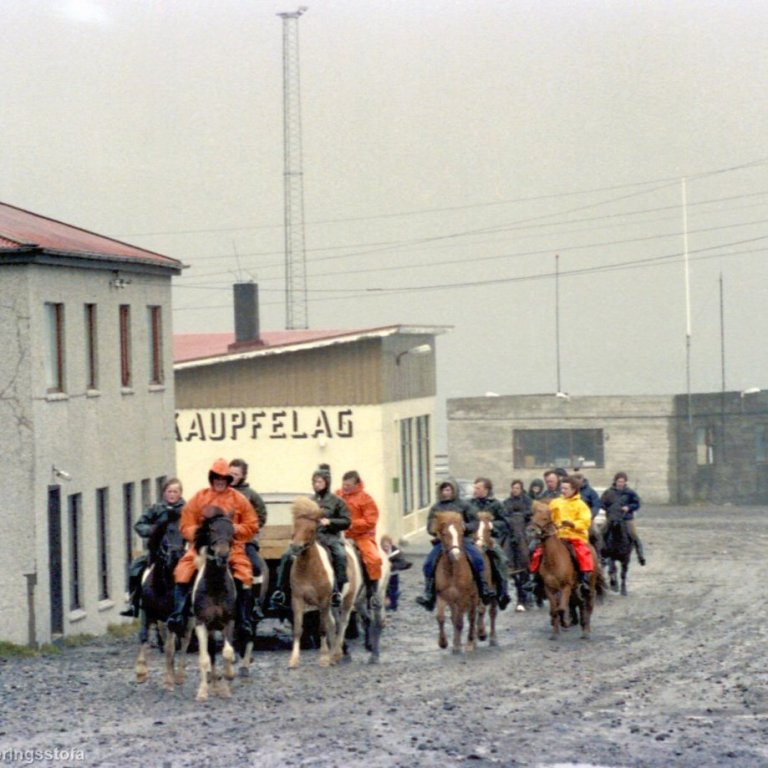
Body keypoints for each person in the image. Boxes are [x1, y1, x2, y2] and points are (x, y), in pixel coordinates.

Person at [167, 458, 259, 637]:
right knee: (182, 570)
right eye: (216, 477)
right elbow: (185, 524)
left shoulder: (239, 499)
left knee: (244, 573)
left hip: (232, 547)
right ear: (211, 478)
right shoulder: (199, 497)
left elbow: (252, 524)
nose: (219, 481)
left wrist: (234, 529)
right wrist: (202, 534)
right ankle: (178, 614)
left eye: (223, 478)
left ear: (228, 480)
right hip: (201, 548)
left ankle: (245, 618)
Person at [270, 463, 351, 610]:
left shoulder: (337, 502)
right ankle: (280, 590)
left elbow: (347, 521)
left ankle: (337, 591)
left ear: (327, 483)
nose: (316, 485)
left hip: (329, 537)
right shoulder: (308, 502)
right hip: (311, 539)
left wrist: (331, 522)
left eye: (319, 482)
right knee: (287, 555)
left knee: (339, 555)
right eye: (314, 482)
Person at [415, 479, 496, 610]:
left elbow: (475, 522)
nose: (446, 492)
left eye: (449, 489)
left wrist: (465, 527)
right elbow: (430, 526)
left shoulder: (464, 506)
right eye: (444, 490)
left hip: (463, 540)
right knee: (428, 563)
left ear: (454, 490)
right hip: (443, 542)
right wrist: (437, 530)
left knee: (477, 558)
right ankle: (429, 593)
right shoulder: (436, 508)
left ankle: (484, 589)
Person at [120, 478, 185, 618]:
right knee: (135, 567)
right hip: (157, 552)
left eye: (175, 491)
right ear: (164, 493)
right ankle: (133, 602)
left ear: (180, 493)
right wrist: (152, 530)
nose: (172, 494)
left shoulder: (187, 510)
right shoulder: (155, 509)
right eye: (169, 491)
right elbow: (139, 525)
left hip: (181, 553)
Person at [530, 474, 594, 600]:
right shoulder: (555, 502)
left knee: (582, 553)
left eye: (566, 489)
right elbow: (548, 515)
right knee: (537, 551)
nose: (563, 491)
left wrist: (572, 524)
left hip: (575, 536)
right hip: (557, 536)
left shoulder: (581, 505)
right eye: (562, 488)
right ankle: (535, 580)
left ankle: (584, 581)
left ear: (574, 489)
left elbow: (586, 521)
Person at [229, 458, 267, 621]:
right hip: (223, 541)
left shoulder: (252, 495)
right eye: (230, 473)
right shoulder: (220, 491)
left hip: (245, 541)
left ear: (243, 475)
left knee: (256, 567)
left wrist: (244, 529)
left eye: (236, 474)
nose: (232, 476)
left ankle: (256, 603)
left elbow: (261, 517)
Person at [338, 470, 384, 604]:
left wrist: (351, 525)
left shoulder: (366, 499)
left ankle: (373, 592)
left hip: (361, 536)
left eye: (348, 485)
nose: (345, 487)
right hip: (339, 534)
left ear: (357, 484)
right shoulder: (338, 495)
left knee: (373, 559)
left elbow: (370, 521)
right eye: (344, 484)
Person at [468, 477, 512, 610]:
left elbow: (505, 523)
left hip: (490, 538)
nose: (475, 490)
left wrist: (491, 525)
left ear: (486, 490)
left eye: (478, 488)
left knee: (501, 559)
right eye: (474, 488)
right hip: (472, 538)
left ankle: (503, 593)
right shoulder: (469, 504)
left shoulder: (496, 504)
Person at [501, 479, 533, 611]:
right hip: (510, 534)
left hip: (525, 534)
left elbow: (530, 514)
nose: (515, 490)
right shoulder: (506, 502)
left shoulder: (527, 501)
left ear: (521, 489)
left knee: (532, 550)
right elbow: (503, 515)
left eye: (517, 488)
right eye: (513, 488)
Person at [603, 471, 646, 566]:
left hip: (626, 518)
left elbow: (637, 504)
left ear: (625, 482)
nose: (620, 483)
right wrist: (610, 510)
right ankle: (603, 554)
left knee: (633, 534)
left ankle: (640, 555)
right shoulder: (608, 492)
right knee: (603, 532)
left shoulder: (630, 493)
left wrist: (629, 507)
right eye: (619, 481)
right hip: (612, 517)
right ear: (615, 481)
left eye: (622, 481)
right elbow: (603, 503)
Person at [380, 534, 412, 611]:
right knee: (385, 590)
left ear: (390, 544)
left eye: (387, 546)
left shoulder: (396, 552)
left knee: (393, 591)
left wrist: (391, 566)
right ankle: (386, 604)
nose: (385, 548)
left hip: (393, 575)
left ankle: (393, 606)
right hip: (383, 576)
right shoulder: (380, 552)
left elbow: (401, 563)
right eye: (384, 546)